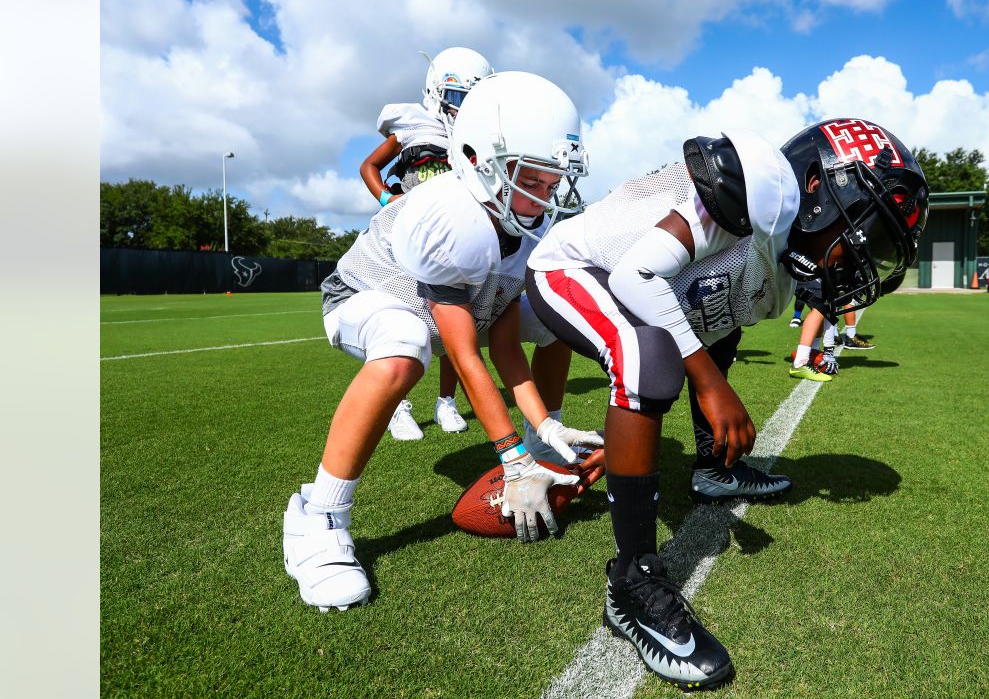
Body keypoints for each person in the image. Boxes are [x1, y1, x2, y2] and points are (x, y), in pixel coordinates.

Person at [524, 118, 929, 689]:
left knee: (714, 325)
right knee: (650, 357)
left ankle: (713, 469)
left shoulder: (785, 249)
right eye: (865, 234)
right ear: (819, 193)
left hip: (625, 278)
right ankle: (632, 585)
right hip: (575, 268)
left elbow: (707, 313)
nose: (863, 259)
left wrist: (703, 378)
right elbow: (637, 276)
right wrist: (713, 387)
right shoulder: (751, 187)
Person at [283, 71, 602, 612]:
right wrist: (511, 461)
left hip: (457, 311)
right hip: (367, 298)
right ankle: (319, 515)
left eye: (553, 183)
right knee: (407, 344)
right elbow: (465, 354)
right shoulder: (450, 215)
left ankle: (544, 445)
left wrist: (541, 428)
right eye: (533, 180)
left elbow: (504, 346)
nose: (545, 198)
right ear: (478, 160)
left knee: (556, 315)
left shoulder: (522, 227)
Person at [359, 47, 495, 440]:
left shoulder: (475, 138)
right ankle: (397, 404)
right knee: (403, 316)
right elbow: (368, 166)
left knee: (458, 317)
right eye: (457, 96)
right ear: (437, 92)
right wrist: (387, 199)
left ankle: (446, 401)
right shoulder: (414, 127)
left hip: (452, 237)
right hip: (408, 237)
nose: (463, 106)